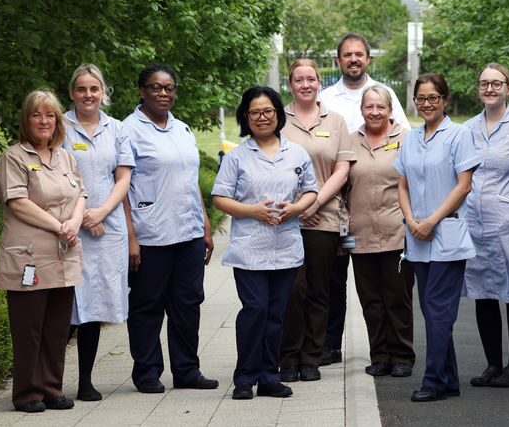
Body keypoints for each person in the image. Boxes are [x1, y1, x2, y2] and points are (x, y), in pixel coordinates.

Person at [213, 86, 319, 400]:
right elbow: (220, 198)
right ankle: (245, 377)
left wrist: (296, 208)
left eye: (268, 111)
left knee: (277, 313)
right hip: (250, 247)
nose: (262, 117)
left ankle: (269, 377)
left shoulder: (297, 153)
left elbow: (311, 190)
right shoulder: (236, 156)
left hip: (285, 245)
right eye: (255, 112)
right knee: (255, 309)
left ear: (278, 114)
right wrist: (253, 211)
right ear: (246, 117)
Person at [123, 64, 217, 394]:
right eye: (156, 87)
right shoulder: (128, 131)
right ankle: (147, 371)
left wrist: (205, 224)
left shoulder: (182, 129)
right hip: (151, 234)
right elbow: (120, 187)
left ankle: (187, 370)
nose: (164, 93)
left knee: (188, 304)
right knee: (148, 304)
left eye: (169, 88)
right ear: (141, 91)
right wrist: (131, 236)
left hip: (188, 233)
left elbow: (189, 183)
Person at [317, 32, 411, 366]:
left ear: (368, 59)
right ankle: (331, 345)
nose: (353, 59)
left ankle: (398, 354)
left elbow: (406, 155)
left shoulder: (388, 94)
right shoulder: (325, 98)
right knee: (339, 285)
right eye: (347, 55)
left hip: (389, 219)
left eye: (359, 54)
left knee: (393, 294)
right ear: (338, 60)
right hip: (343, 214)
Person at [0, 89, 86, 413]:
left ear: (58, 121)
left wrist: (74, 221)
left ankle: (52, 388)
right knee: (29, 330)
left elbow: (81, 194)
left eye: (50, 115)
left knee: (57, 329)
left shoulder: (65, 156)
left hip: (63, 256)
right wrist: (58, 225)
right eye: (37, 115)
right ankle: (27, 394)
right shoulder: (14, 157)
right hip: (29, 258)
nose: (44, 121)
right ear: (26, 120)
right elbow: (18, 202)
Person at [395, 73, 480, 402]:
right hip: (417, 235)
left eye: (433, 97)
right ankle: (448, 379)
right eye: (420, 98)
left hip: (446, 235)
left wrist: (431, 220)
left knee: (438, 309)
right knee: (432, 311)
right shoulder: (411, 138)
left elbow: (464, 185)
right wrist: (410, 219)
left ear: (444, 99)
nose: (426, 103)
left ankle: (432, 381)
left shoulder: (459, 135)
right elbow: (401, 183)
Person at [279, 58, 356, 382]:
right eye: (299, 79)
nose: (306, 84)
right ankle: (288, 356)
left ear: (319, 82)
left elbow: (343, 170)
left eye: (311, 78)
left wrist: (315, 202)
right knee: (292, 289)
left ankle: (311, 357)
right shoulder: (278, 118)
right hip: (286, 219)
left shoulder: (335, 121)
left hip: (323, 218)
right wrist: (297, 207)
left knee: (319, 289)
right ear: (290, 83)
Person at [464, 63, 509, 389]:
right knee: (484, 294)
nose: (490, 89)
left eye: (496, 83)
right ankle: (493, 364)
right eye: (484, 83)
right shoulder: (467, 129)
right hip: (475, 225)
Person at [63, 64, 134, 401]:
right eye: (81, 89)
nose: (88, 95)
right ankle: (49, 382)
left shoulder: (117, 129)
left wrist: (102, 211)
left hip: (107, 229)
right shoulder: (60, 126)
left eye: (94, 89)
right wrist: (82, 214)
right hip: (68, 226)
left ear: (104, 92)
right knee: (65, 305)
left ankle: (85, 382)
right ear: (71, 93)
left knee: (92, 307)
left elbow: (123, 178)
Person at [348, 85, 415, 378]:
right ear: (361, 110)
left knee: (397, 299)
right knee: (371, 302)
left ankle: (402, 355)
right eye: (369, 107)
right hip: (360, 234)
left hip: (397, 233)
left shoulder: (407, 139)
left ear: (390, 110)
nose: (375, 112)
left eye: (380, 107)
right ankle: (379, 355)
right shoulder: (349, 142)